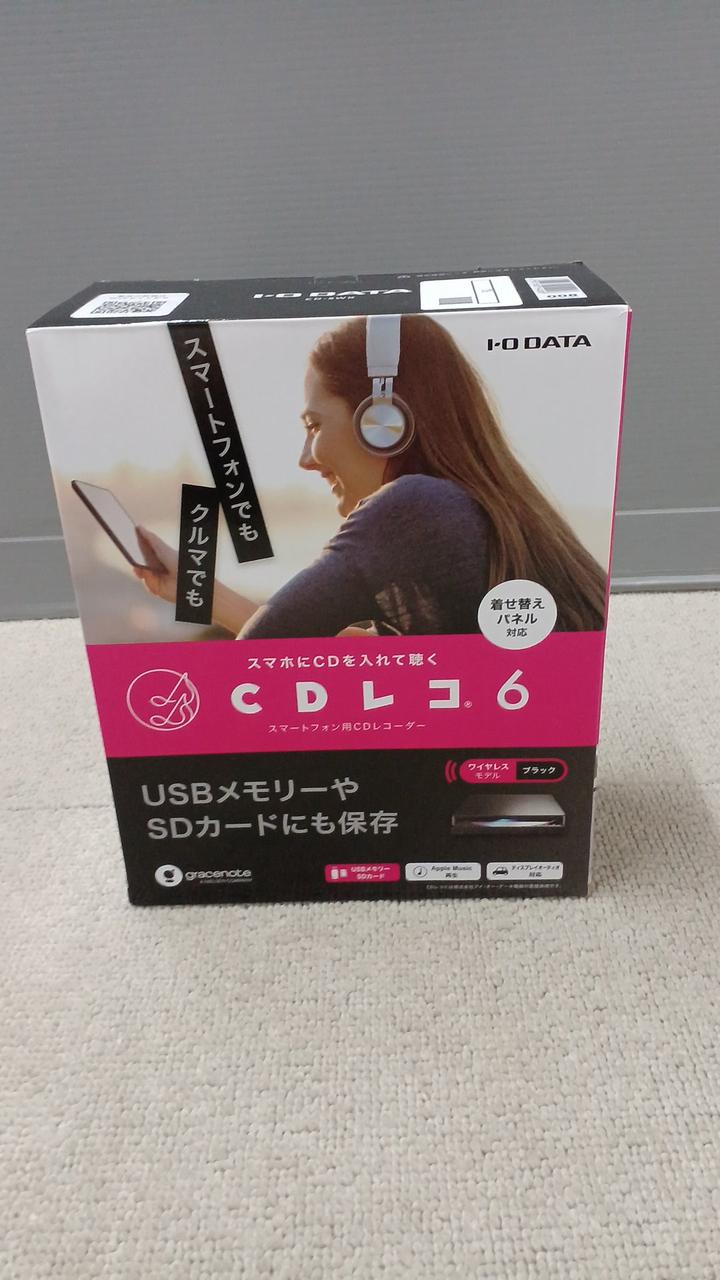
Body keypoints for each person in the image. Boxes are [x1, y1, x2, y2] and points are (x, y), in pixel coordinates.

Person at [135, 314, 606, 637]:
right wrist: (199, 590)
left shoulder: (415, 507)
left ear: (383, 421)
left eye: (314, 425)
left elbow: (263, 651)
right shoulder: (473, 510)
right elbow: (305, 646)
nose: (305, 459)